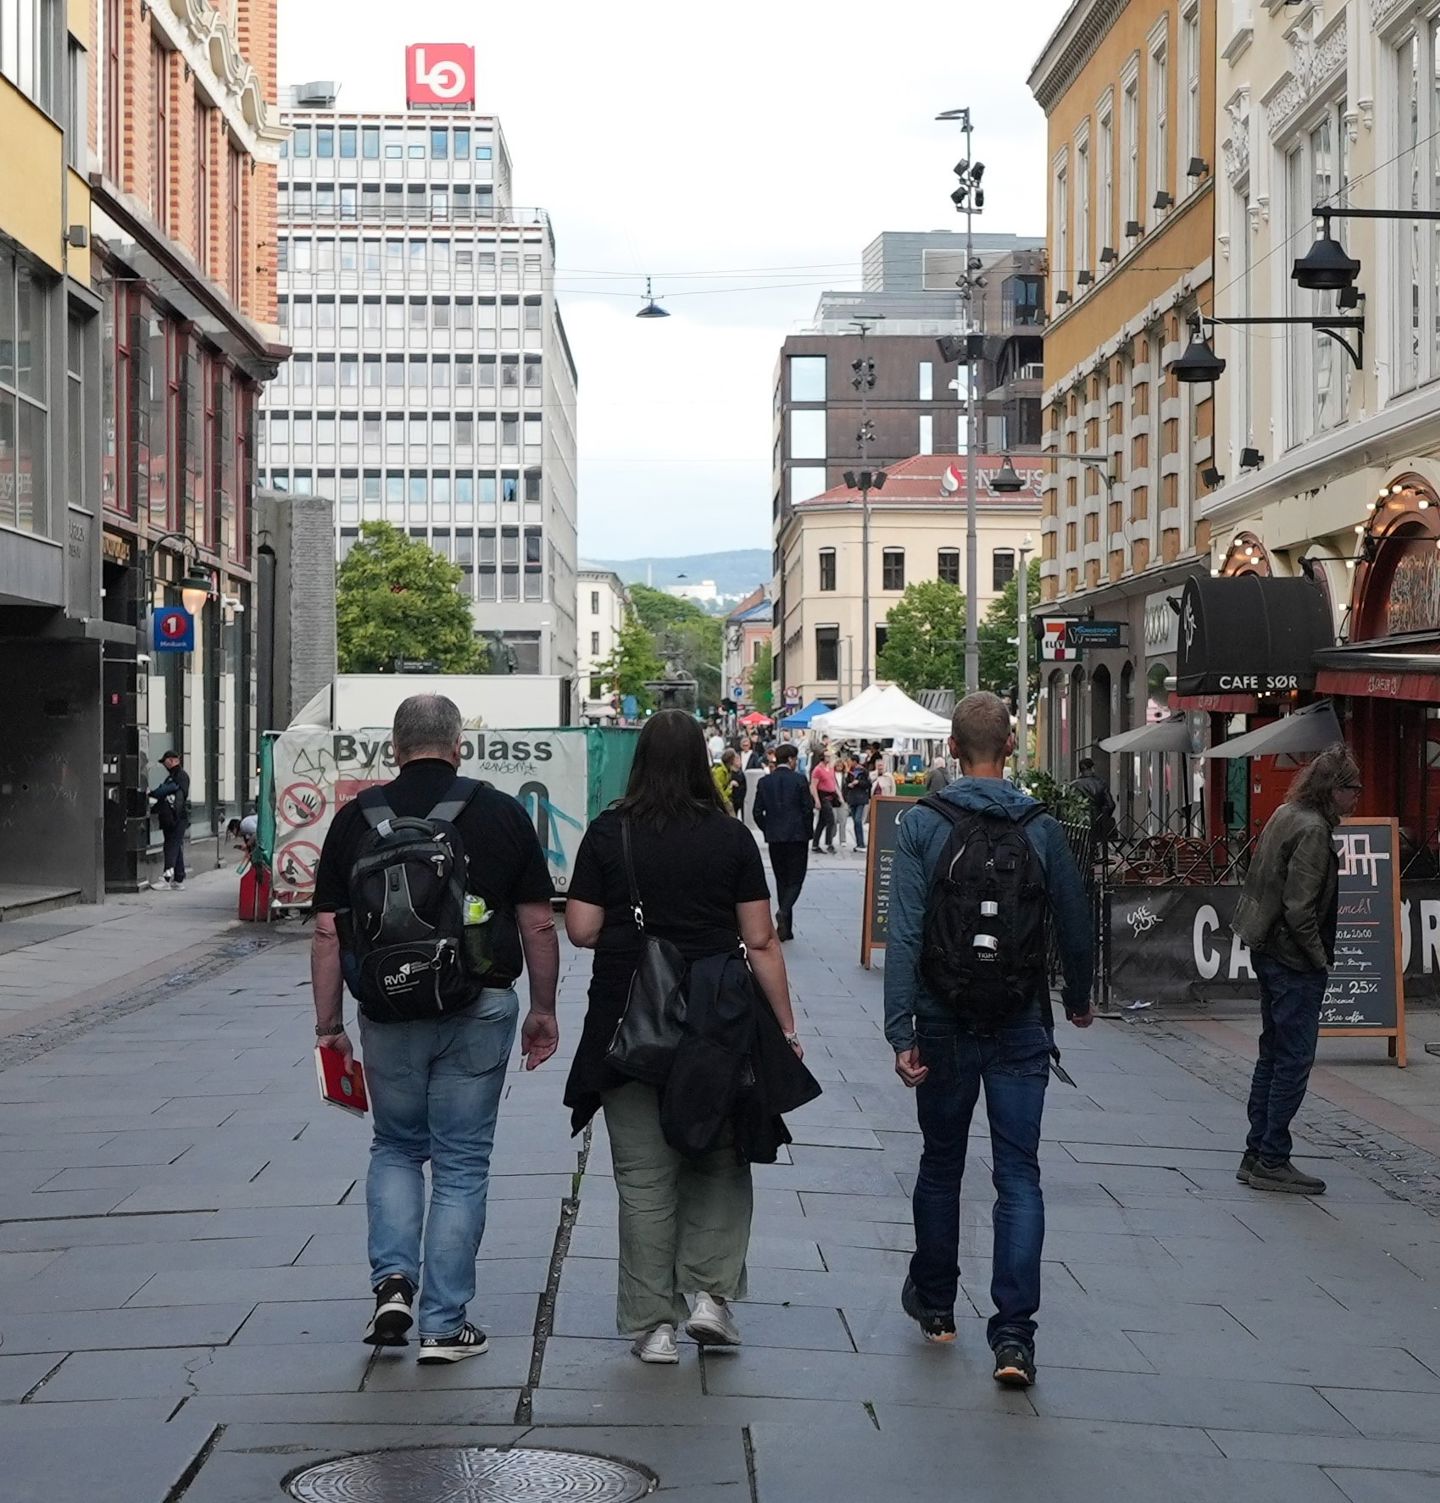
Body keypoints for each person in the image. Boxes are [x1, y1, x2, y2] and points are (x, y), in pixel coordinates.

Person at [309, 694, 561, 1363]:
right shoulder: (501, 812)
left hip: (387, 1011)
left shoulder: (355, 820)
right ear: (459, 746)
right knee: (460, 1162)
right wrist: (543, 1009)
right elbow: (538, 921)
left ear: (393, 747)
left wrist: (329, 1024)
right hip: (477, 1007)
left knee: (394, 1145)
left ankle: (393, 1282)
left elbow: (329, 930)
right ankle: (445, 1324)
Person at [562, 710, 802, 1363]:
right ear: (702, 760)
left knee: (643, 1179)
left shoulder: (610, 832)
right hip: (716, 1026)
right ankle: (710, 1299)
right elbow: (760, 938)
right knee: (719, 1161)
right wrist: (783, 1024)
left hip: (627, 1025)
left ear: (639, 762)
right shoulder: (729, 838)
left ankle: (654, 1325)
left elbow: (580, 928)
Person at [884, 692, 1094, 1390]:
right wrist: (1082, 996)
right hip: (1020, 1019)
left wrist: (900, 1028)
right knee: (1019, 1175)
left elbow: (906, 932)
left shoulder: (921, 824)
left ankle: (937, 1305)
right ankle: (1013, 1338)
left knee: (941, 1163)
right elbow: (1074, 918)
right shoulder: (1041, 829)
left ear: (950, 746)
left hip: (942, 1017)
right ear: (1010, 746)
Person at [1232, 744, 1361, 1196]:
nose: (1357, 797)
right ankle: (1272, 1157)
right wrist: (1320, 959)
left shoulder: (1287, 812)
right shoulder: (1312, 829)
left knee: (1273, 1052)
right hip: (1292, 958)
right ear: (1333, 789)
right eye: (1352, 788)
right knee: (1293, 1058)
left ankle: (1256, 1152)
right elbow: (1299, 909)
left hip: (1268, 949)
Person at [753, 744, 814, 941]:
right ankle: (784, 911)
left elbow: (756, 812)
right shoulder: (799, 780)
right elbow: (807, 809)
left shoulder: (765, 782)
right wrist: (807, 831)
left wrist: (768, 828)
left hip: (775, 838)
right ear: (790, 760)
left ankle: (785, 929)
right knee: (796, 880)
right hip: (797, 837)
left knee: (781, 879)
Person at [149, 750, 190, 890]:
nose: (164, 765)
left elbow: (167, 790)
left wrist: (154, 793)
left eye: (165, 761)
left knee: (170, 846)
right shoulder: (175, 776)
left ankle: (166, 878)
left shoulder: (180, 776)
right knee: (175, 846)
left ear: (173, 760)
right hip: (173, 817)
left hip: (176, 817)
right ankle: (178, 878)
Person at [1069, 758, 1117, 846]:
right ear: (1092, 768)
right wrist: (1103, 816)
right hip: (1099, 824)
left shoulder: (1072, 786)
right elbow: (1110, 805)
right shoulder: (1101, 783)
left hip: (1080, 825)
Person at [810, 749, 839, 854]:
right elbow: (813, 786)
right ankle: (829, 843)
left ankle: (815, 844)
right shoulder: (818, 770)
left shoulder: (830, 768)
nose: (829, 758)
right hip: (823, 796)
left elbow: (833, 782)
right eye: (827, 756)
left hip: (831, 795)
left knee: (822, 822)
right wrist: (816, 800)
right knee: (831, 819)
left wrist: (839, 795)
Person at [843, 755, 874, 852]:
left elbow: (868, 784)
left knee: (858, 820)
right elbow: (846, 784)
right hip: (852, 799)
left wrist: (858, 782)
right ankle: (858, 843)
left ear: (855, 761)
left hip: (861, 798)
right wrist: (849, 785)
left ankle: (861, 844)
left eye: (850, 761)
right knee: (855, 821)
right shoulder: (849, 772)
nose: (849, 763)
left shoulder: (863, 771)